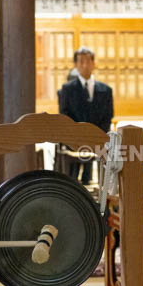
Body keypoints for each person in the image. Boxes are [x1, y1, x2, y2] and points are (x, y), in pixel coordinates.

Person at [57, 46, 113, 184]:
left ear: (93, 64)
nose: (84, 65)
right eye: (81, 62)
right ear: (75, 65)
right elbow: (64, 114)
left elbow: (108, 115)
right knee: (72, 178)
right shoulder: (67, 89)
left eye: (88, 61)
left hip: (97, 138)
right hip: (74, 139)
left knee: (91, 179)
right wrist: (78, 134)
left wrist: (96, 135)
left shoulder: (105, 90)